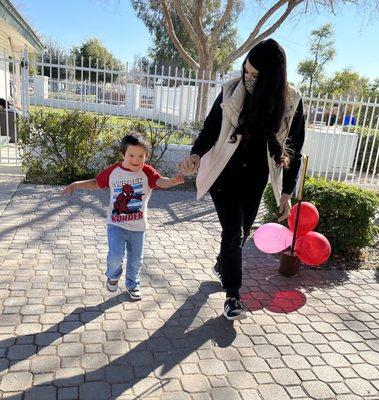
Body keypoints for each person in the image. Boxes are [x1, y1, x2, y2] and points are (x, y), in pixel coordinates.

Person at [179, 39, 305, 321]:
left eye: (255, 75)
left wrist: (286, 192)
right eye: (245, 71)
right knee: (233, 232)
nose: (248, 78)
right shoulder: (230, 90)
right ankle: (233, 296)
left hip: (257, 176)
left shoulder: (291, 101)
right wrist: (196, 154)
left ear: (272, 77)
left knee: (242, 232)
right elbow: (211, 128)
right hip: (223, 171)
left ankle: (222, 263)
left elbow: (295, 148)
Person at [62, 133, 184, 300]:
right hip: (116, 225)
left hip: (138, 228)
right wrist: (76, 184)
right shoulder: (114, 171)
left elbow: (159, 181)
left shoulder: (146, 172)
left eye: (141, 156)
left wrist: (171, 182)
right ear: (123, 154)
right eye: (131, 155)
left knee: (136, 261)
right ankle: (113, 275)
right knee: (115, 256)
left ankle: (133, 284)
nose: (136, 159)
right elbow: (97, 183)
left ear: (146, 156)